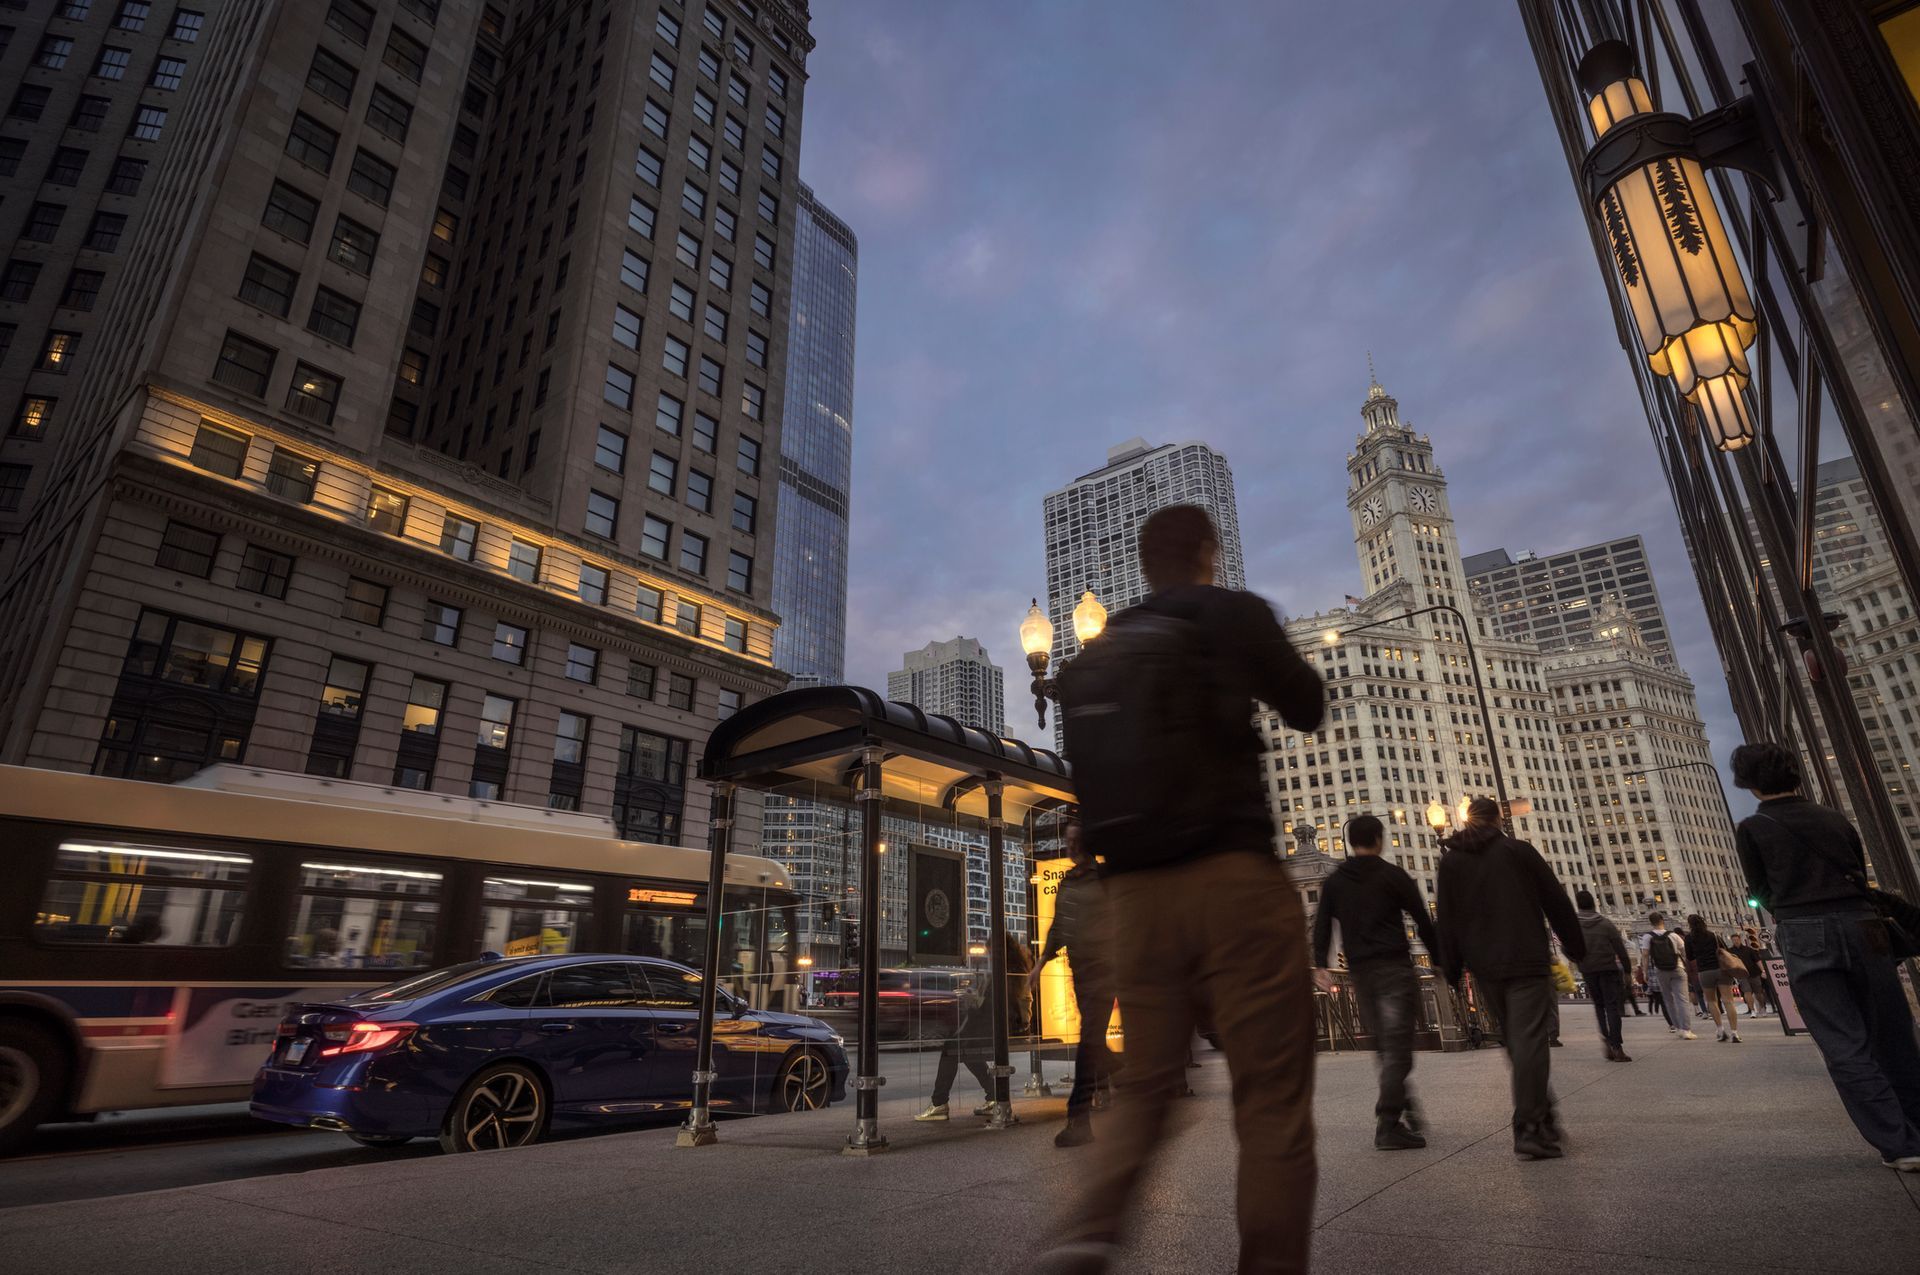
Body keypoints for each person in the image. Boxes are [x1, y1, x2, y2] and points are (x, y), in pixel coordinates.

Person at [1040, 504, 1325, 1274]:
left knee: (1146, 1088)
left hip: (1135, 900)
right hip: (1234, 879)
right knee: (1270, 1098)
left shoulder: (1110, 643)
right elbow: (1309, 703)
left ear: (1144, 563)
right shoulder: (1231, 612)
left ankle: (1087, 1232)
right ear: (1207, 551)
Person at [1732, 741, 1920, 1171]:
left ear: (1748, 783)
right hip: (1863, 926)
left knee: (1842, 1042)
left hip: (1804, 931)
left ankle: (1899, 1143)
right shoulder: (1833, 818)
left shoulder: (1753, 829)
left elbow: (1759, 891)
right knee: (1893, 1033)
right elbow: (1857, 868)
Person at [1436, 797, 1586, 1160]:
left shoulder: (1452, 861)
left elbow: (1447, 918)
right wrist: (1577, 948)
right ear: (1498, 820)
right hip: (1526, 960)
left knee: (1518, 1043)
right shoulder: (1518, 851)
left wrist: (1452, 968)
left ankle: (1543, 1114)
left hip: (1484, 967)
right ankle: (1530, 1127)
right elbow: (1556, 900)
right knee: (1530, 1040)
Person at [1310, 813, 1440, 1150]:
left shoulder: (1336, 881)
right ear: (1380, 840)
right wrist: (1440, 960)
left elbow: (1322, 925)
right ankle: (1388, 1122)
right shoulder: (1393, 876)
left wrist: (1319, 965)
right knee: (1399, 1049)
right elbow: (1423, 921)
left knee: (1386, 1045)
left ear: (1351, 842)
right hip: (1394, 968)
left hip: (1361, 975)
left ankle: (1401, 1102)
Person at [1031, 821, 1113, 1147]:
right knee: (1092, 1041)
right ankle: (1133, 1070)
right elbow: (1058, 929)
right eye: (1067, 841)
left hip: (1108, 970)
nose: (1071, 846)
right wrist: (1039, 963)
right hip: (1081, 971)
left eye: (1076, 840)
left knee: (1089, 1038)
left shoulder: (1106, 877)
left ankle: (1078, 1120)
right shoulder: (1067, 881)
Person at [917, 932, 1032, 1122]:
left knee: (950, 1048)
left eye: (990, 952)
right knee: (963, 1048)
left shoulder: (1004, 972)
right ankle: (994, 1096)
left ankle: (939, 1104)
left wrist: (973, 1001)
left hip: (1006, 1027)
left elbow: (994, 1006)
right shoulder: (1016, 969)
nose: (988, 956)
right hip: (1011, 1025)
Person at [1573, 890, 1634, 1061]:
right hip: (1608, 969)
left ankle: (1607, 1040)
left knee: (1599, 1007)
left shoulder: (1574, 925)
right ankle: (1617, 1046)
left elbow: (1565, 947)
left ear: (1578, 905)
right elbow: (1621, 949)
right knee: (1612, 1007)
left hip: (1588, 970)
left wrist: (1578, 959)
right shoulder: (1605, 924)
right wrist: (1627, 971)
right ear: (1594, 903)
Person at [1683, 914, 1742, 1043]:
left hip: (1704, 972)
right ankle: (1734, 1033)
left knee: (1711, 1001)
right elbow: (1725, 950)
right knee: (1728, 1001)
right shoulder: (1713, 935)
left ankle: (1720, 1031)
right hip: (1721, 970)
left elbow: (1690, 956)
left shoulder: (1689, 938)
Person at [1639, 912, 1696, 1040]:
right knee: (1682, 999)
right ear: (1662, 921)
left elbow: (1645, 955)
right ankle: (1687, 1029)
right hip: (1677, 968)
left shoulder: (1647, 937)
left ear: (1651, 922)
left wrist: (1645, 972)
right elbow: (1684, 950)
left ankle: (1678, 1027)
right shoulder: (1673, 935)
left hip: (1660, 970)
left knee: (1668, 999)